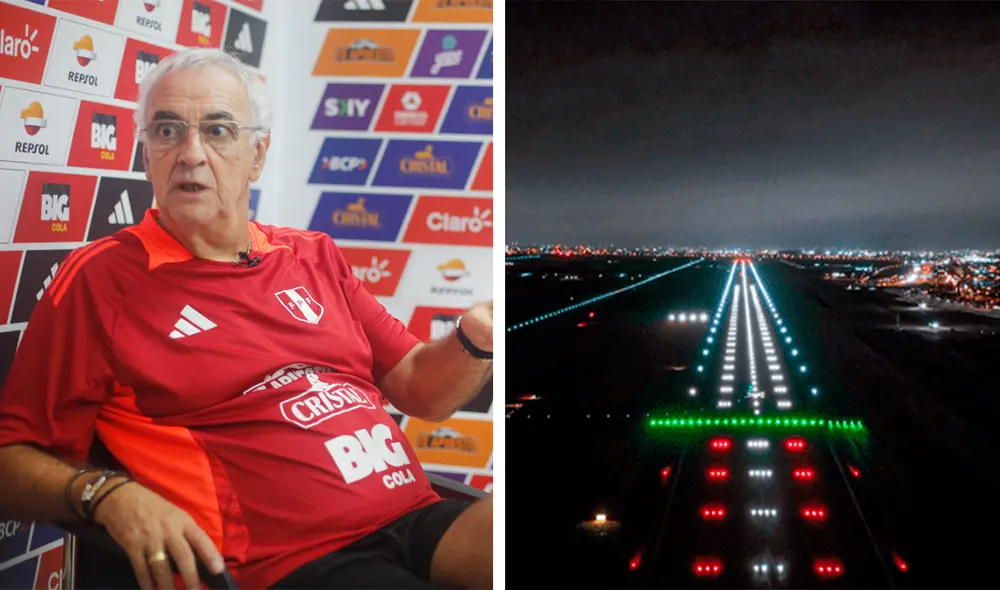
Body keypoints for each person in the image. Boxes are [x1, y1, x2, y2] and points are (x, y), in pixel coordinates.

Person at [0, 48, 493, 590]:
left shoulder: (312, 253)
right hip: (292, 562)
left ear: (257, 154)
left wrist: (474, 339)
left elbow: (423, 389)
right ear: (146, 152)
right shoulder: (101, 279)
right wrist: (108, 495)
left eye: (217, 131)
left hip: (415, 516)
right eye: (167, 130)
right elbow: (10, 463)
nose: (190, 153)